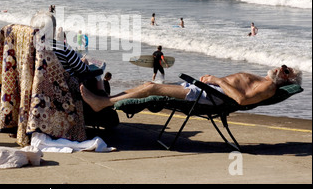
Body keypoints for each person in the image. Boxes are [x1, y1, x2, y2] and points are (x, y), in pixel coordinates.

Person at [80, 65, 303, 112]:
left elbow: (241, 100)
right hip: (206, 89)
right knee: (149, 84)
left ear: (286, 79)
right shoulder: (264, 81)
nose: (280, 67)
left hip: (209, 96)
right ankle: (106, 100)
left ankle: (101, 103)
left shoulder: (269, 88)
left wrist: (216, 79)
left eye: (286, 70)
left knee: (152, 90)